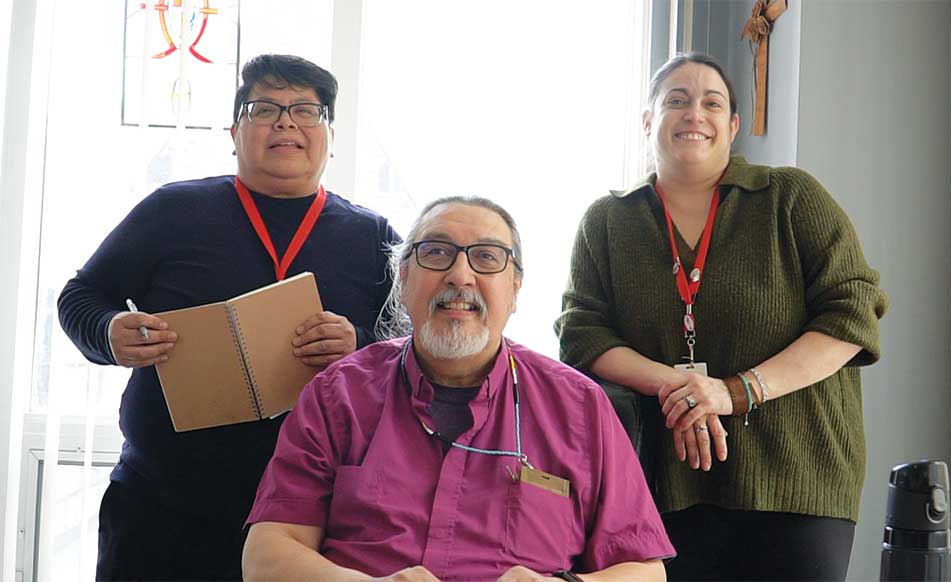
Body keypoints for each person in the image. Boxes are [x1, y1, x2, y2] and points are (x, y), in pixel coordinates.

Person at [57, 54, 400, 580]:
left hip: (309, 523)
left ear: (330, 135)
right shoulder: (172, 211)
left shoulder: (373, 236)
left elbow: (414, 351)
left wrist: (360, 344)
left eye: (306, 110)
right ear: (234, 132)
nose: (285, 121)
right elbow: (81, 295)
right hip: (161, 504)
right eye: (265, 108)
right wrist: (109, 333)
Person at [554, 52, 888, 581]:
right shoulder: (608, 222)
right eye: (676, 101)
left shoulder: (792, 198)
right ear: (647, 120)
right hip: (664, 484)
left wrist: (735, 391)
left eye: (712, 103)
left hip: (797, 477)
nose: (694, 114)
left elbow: (852, 313)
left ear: (733, 127)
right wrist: (681, 387)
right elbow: (581, 333)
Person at [242, 197, 675, 582]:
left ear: (515, 289)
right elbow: (267, 555)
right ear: (404, 279)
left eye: (487, 257)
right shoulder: (338, 394)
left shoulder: (579, 407)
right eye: (436, 253)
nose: (460, 275)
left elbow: (645, 569)